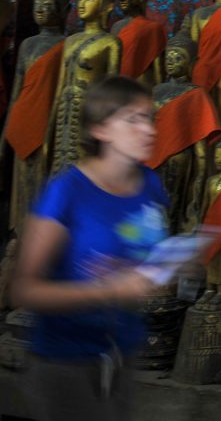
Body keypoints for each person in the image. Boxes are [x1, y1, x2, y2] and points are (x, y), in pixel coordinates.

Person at [11, 76, 168, 421]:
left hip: (122, 355)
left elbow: (145, 255)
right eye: (133, 119)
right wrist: (106, 289)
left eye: (150, 118)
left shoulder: (150, 185)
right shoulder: (66, 193)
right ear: (100, 129)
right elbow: (24, 289)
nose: (149, 130)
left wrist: (170, 265)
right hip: (64, 363)